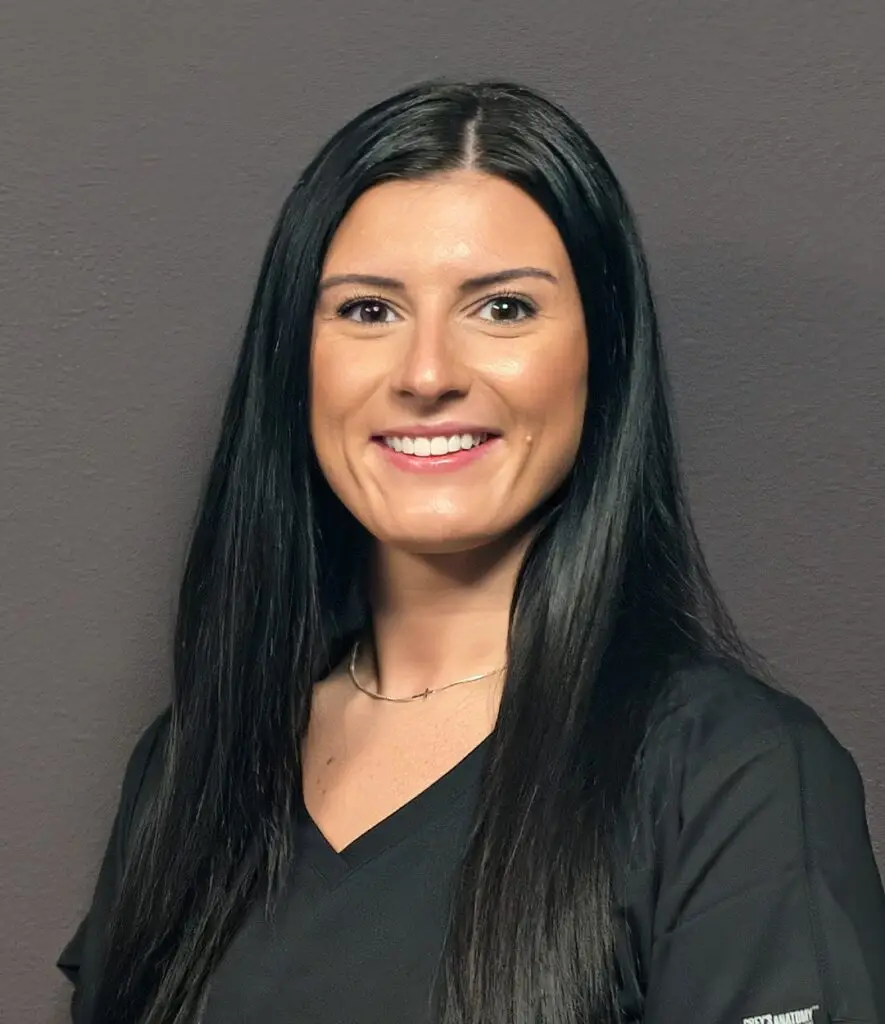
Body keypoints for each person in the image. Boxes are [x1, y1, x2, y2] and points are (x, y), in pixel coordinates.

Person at [56, 78, 885, 1024]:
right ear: (297, 361)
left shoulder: (733, 776)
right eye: (369, 311)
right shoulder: (190, 765)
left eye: (501, 310)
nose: (426, 374)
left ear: (602, 358)